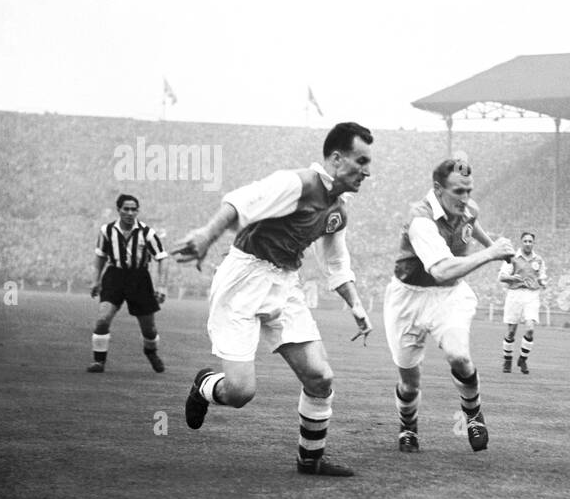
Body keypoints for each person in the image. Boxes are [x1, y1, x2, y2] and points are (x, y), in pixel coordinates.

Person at [172, 121, 374, 476]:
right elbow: (240, 200)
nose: (367, 171)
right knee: (240, 393)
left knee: (320, 378)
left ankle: (310, 461)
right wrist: (206, 234)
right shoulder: (297, 183)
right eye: (361, 161)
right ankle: (204, 385)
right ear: (337, 159)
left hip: (285, 284)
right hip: (244, 279)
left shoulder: (338, 211)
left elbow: (336, 264)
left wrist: (356, 304)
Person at [384, 157, 514, 452]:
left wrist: (493, 246)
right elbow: (440, 269)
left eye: (469, 190)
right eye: (458, 192)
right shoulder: (420, 219)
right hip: (408, 299)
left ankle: (473, 414)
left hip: (449, 296)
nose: (466, 198)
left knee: (460, 357)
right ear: (438, 189)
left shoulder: (467, 207)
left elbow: (472, 222)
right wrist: (491, 253)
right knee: (409, 383)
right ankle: (408, 427)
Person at [87, 193, 169, 373]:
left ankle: (151, 351)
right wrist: (95, 280)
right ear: (119, 210)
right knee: (102, 319)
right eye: (126, 209)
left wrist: (161, 286)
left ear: (137, 211)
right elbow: (100, 256)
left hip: (139, 279)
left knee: (149, 328)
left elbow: (162, 258)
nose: (130, 213)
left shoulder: (147, 233)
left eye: (134, 209)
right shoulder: (106, 231)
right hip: (114, 276)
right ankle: (99, 361)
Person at [499, 231, 547, 374]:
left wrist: (543, 282)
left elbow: (542, 276)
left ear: (533, 243)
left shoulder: (539, 260)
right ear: (521, 242)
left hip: (532, 295)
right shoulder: (512, 258)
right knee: (511, 331)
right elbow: (502, 276)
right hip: (515, 294)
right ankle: (507, 361)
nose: (527, 243)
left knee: (530, 328)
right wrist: (514, 278)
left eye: (530, 241)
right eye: (525, 241)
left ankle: (523, 360)